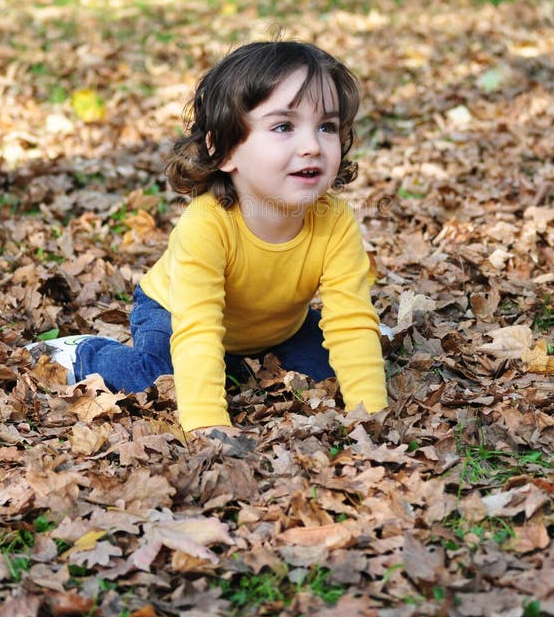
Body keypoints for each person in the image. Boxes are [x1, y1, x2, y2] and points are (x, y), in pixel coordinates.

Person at [30, 41, 389, 434]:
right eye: (284, 126)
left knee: (331, 370)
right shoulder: (207, 225)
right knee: (160, 377)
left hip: (275, 326)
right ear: (224, 150)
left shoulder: (334, 220)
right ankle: (85, 355)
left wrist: (370, 415)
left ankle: (241, 361)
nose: (311, 146)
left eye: (327, 127)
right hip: (175, 314)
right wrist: (207, 425)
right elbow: (198, 329)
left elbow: (350, 320)